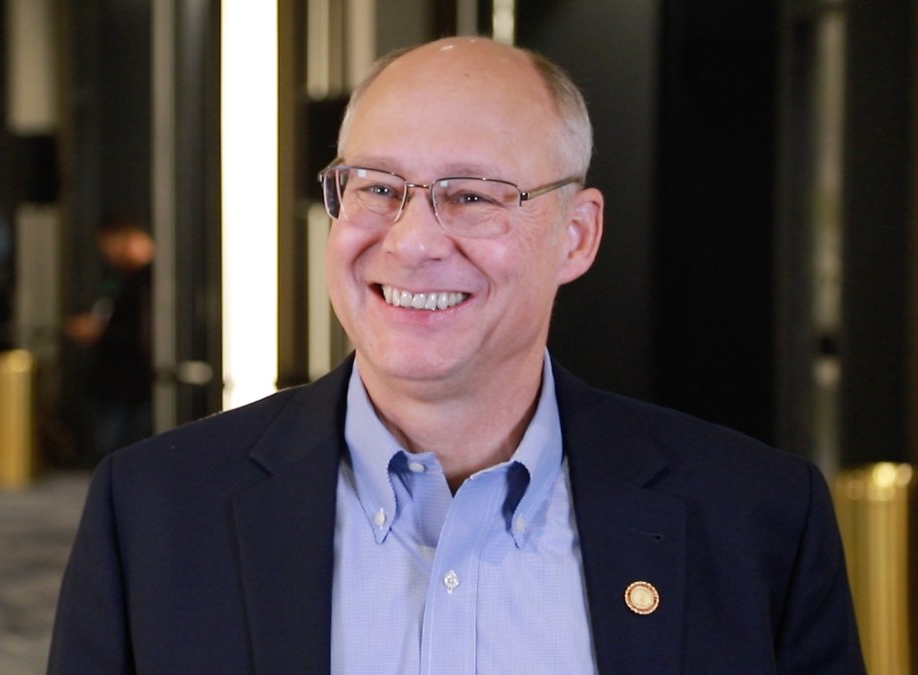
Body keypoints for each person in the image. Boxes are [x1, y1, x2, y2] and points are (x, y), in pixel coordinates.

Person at [48, 37, 864, 673]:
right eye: (377, 186)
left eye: (471, 195)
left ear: (577, 236)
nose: (411, 242)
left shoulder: (755, 519)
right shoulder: (153, 512)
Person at [63, 218, 154, 461]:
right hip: (119, 380)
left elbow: (145, 334)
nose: (109, 255)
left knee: (118, 448)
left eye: (110, 246)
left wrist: (101, 333)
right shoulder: (124, 279)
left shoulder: (152, 280)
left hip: (135, 380)